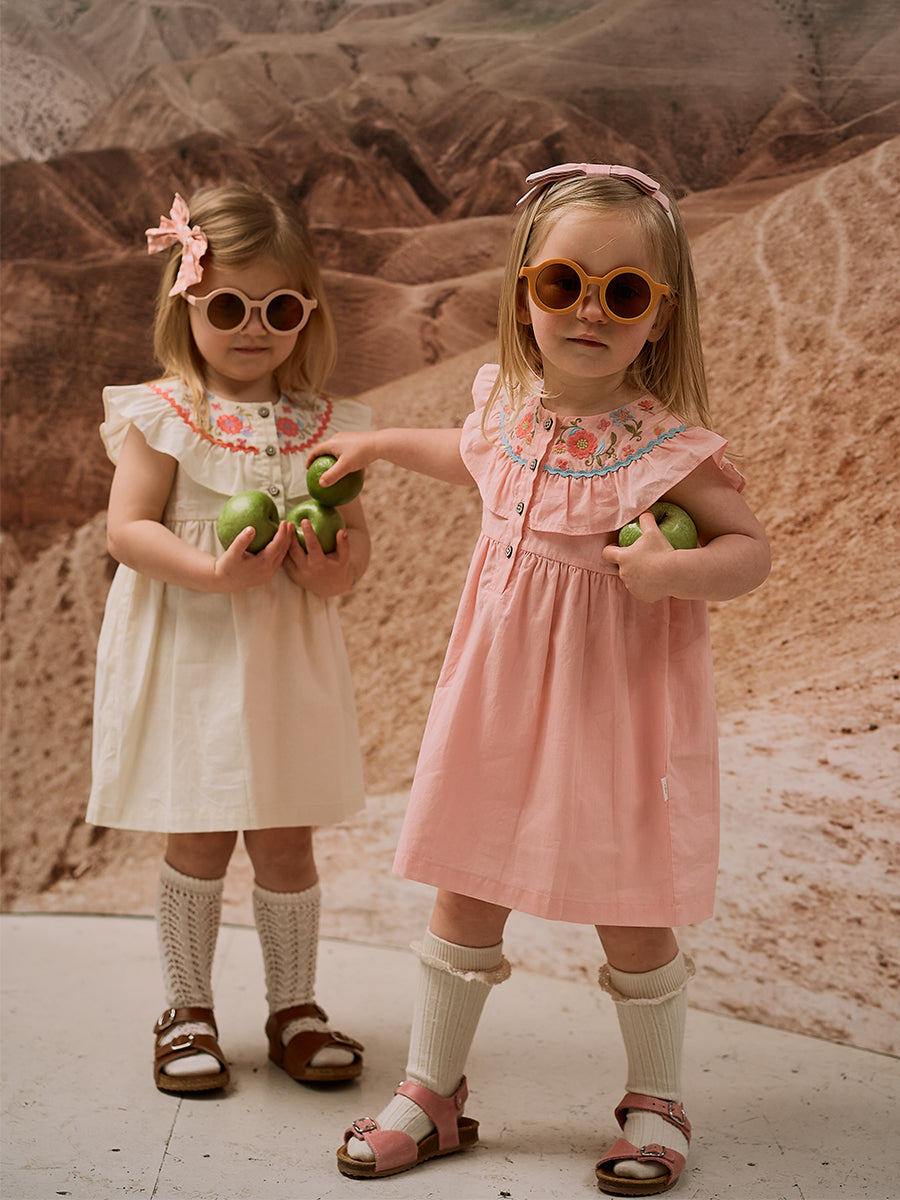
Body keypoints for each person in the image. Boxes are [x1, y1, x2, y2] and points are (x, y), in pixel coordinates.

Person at [311, 163, 771, 1194]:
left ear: (659, 315)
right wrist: (378, 442)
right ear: (525, 295)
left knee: (631, 904)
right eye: (564, 284)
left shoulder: (666, 452)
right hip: (496, 703)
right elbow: (466, 456)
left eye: (623, 292)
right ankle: (432, 1092)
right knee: (464, 888)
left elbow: (750, 552)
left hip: (611, 713)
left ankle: (656, 1100)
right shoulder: (507, 412)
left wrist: (672, 572)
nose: (590, 312)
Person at [87, 184, 370, 1094]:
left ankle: (295, 1008)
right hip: (195, 652)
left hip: (286, 657)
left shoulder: (325, 425)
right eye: (228, 308)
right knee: (201, 837)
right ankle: (187, 1009)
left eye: (279, 309)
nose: (254, 328)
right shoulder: (163, 414)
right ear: (187, 303)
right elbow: (128, 530)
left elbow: (355, 546)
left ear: (307, 314)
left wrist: (332, 572)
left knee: (287, 840)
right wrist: (213, 574)